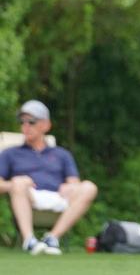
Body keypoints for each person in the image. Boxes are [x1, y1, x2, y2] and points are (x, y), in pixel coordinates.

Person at [0, 100, 98, 255]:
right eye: (22, 122)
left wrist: (70, 187)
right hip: (28, 196)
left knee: (89, 187)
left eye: (31, 122)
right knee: (18, 182)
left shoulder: (62, 154)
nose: (26, 126)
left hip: (58, 198)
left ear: (46, 125)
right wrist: (15, 183)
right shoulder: (9, 153)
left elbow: (74, 183)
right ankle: (29, 240)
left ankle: (52, 238)